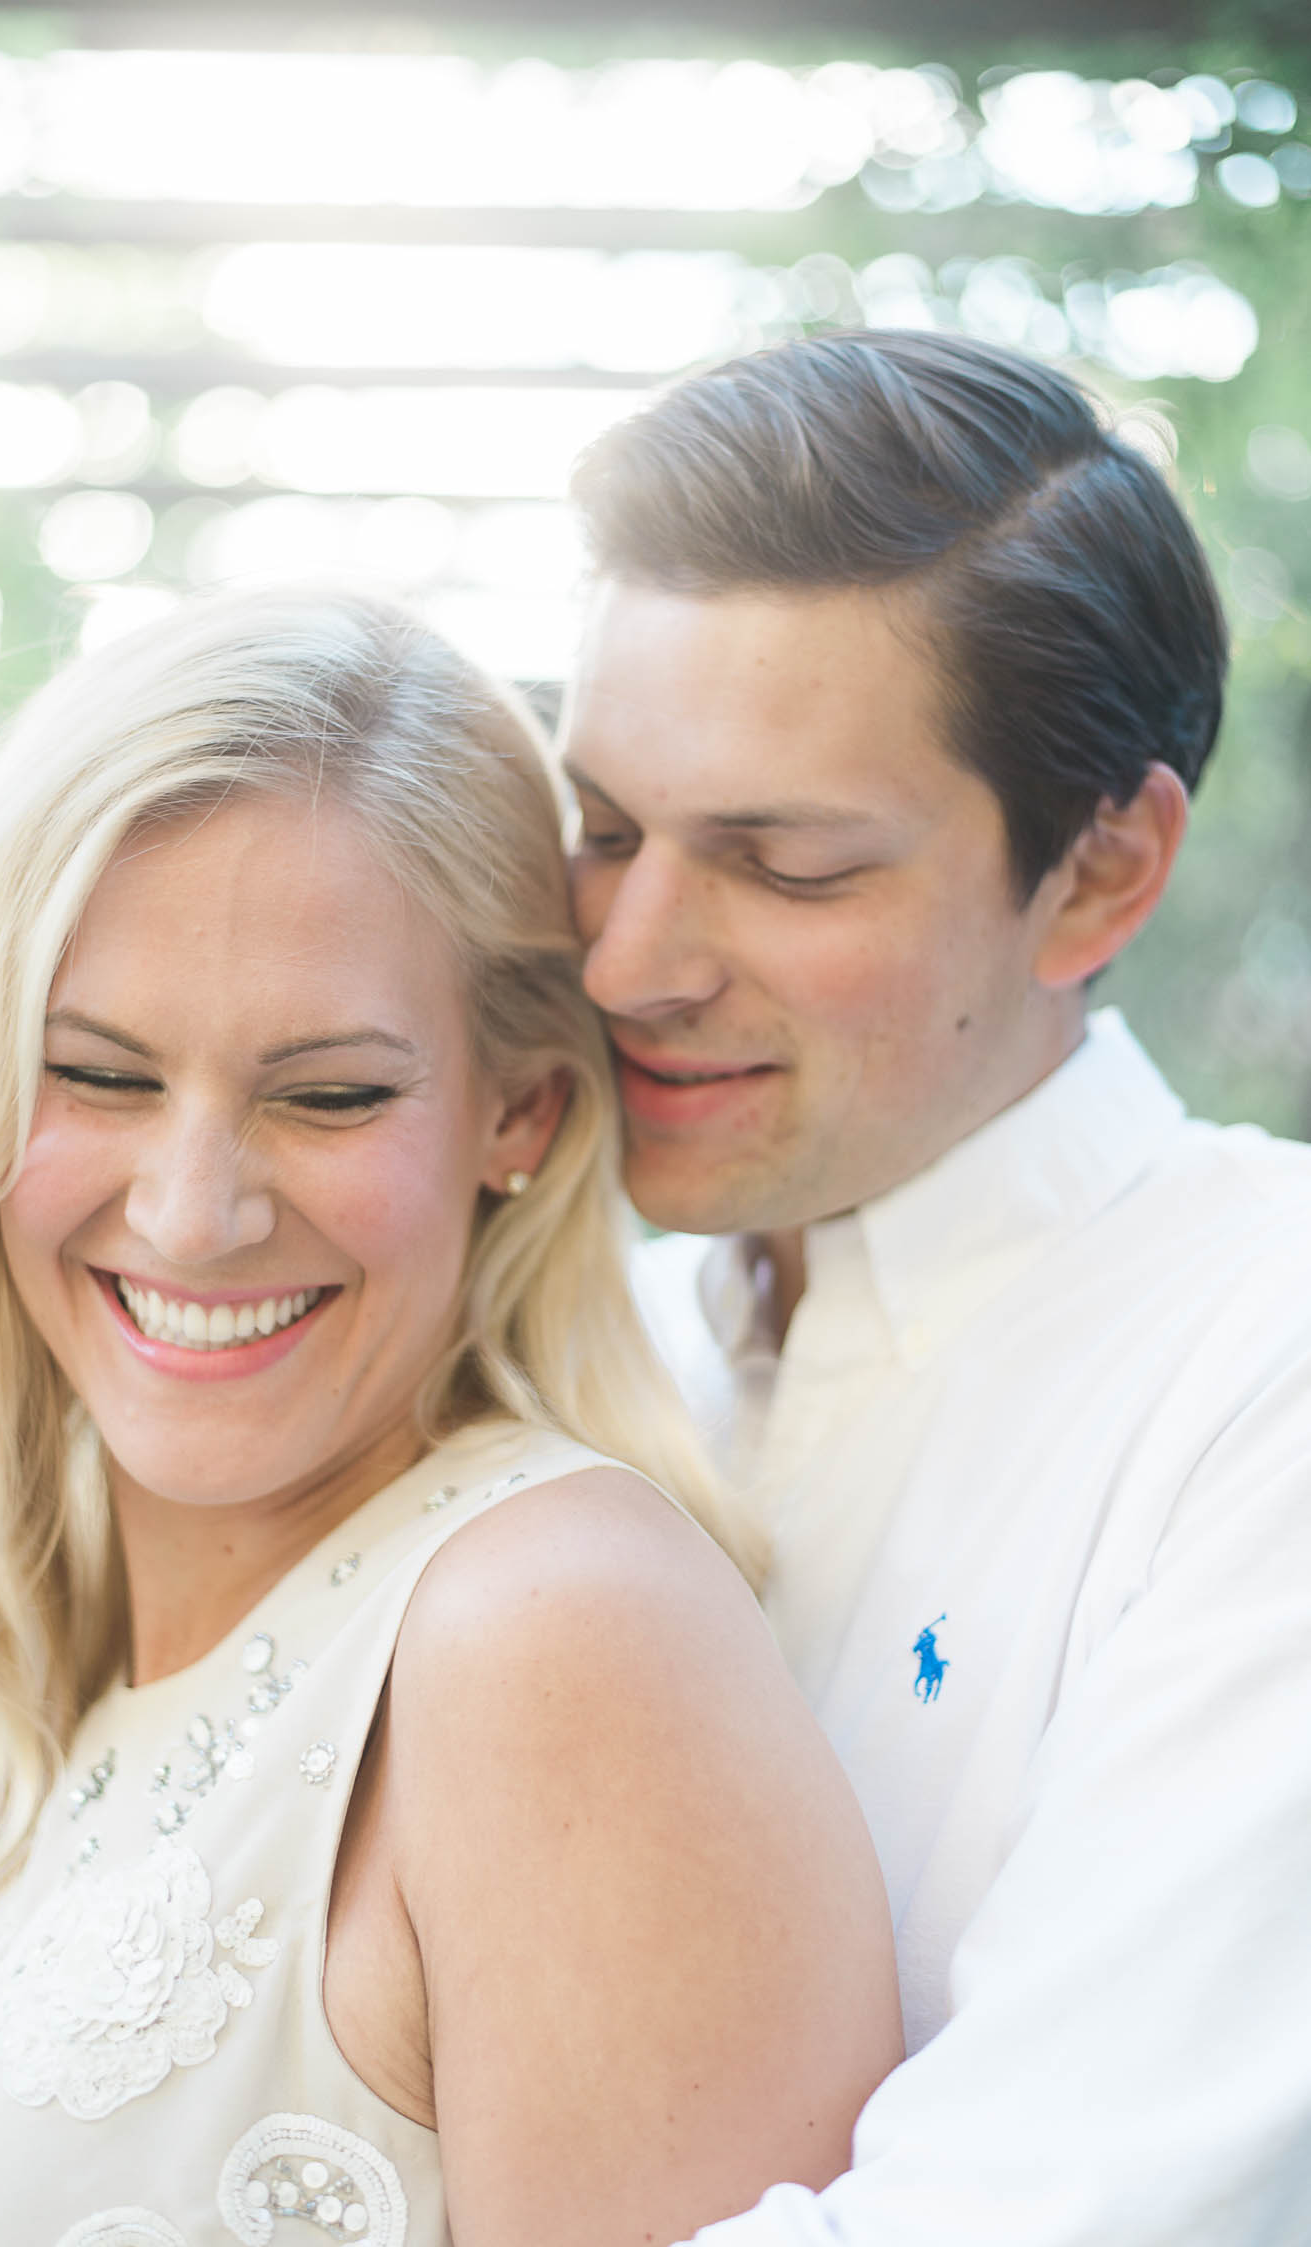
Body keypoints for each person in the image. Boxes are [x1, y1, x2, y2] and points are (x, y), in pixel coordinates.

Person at [0, 588, 903, 2247]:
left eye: (327, 1096)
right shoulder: (35, 1719)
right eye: (100, 1075)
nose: (192, 1216)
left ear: (515, 1114)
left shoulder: (558, 1636)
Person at [561, 331, 1311, 2245]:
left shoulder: (1266, 1366)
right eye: (603, 834)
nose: (632, 960)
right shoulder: (595, 1347)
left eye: (786, 865)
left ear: (1102, 873)